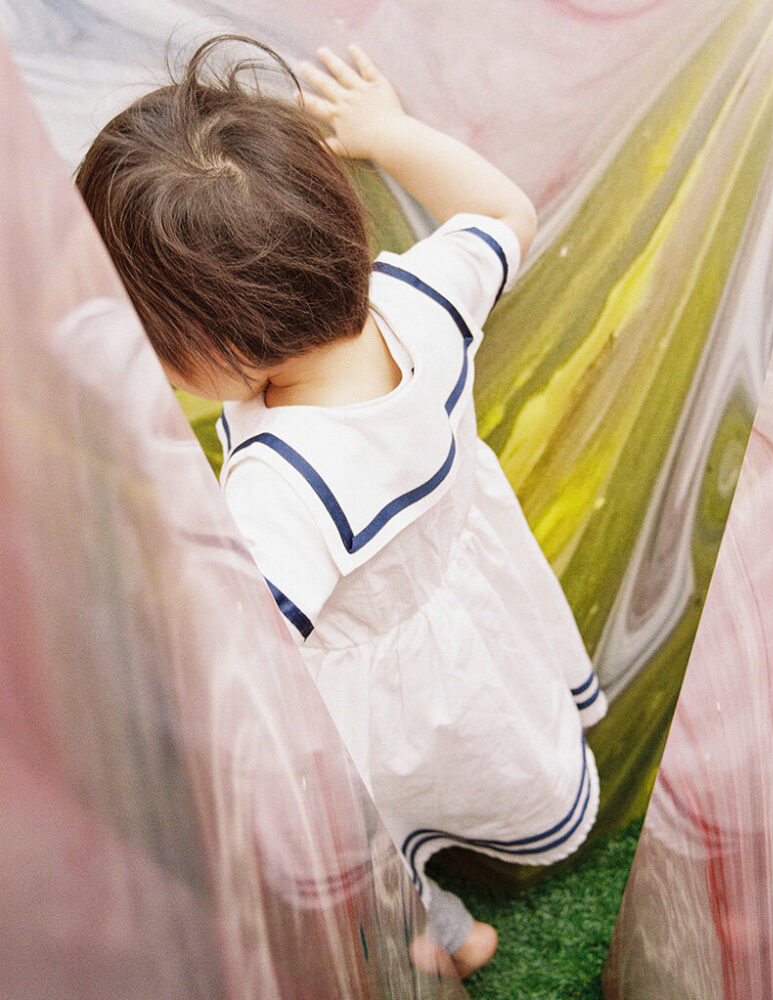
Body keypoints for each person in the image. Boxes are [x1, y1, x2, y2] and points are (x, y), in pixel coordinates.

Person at [76, 35, 607, 978]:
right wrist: (390, 132)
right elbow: (502, 209)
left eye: (147, 337)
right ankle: (459, 920)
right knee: (466, 760)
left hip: (368, 698)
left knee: (371, 838)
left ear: (226, 349)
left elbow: (235, 660)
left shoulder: (283, 485)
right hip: (467, 622)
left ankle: (441, 937)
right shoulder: (417, 293)